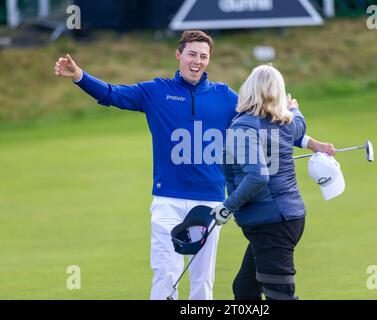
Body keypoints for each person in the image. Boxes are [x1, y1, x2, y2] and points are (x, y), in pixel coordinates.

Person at [54, 30, 334, 300]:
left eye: (203, 56)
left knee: (202, 281)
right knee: (165, 273)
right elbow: (112, 94)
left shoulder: (226, 97)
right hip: (168, 200)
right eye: (191, 54)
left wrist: (310, 143)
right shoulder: (155, 92)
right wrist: (79, 76)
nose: (196, 61)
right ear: (178, 54)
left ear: (208, 60)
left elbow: (264, 124)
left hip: (210, 201)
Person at [211, 64, 324, 300]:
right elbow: (300, 125)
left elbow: (257, 176)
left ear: (248, 89)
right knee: (245, 289)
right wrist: (294, 108)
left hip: (271, 223)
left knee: (279, 295)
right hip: (286, 219)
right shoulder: (284, 121)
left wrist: (227, 206)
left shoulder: (244, 125)